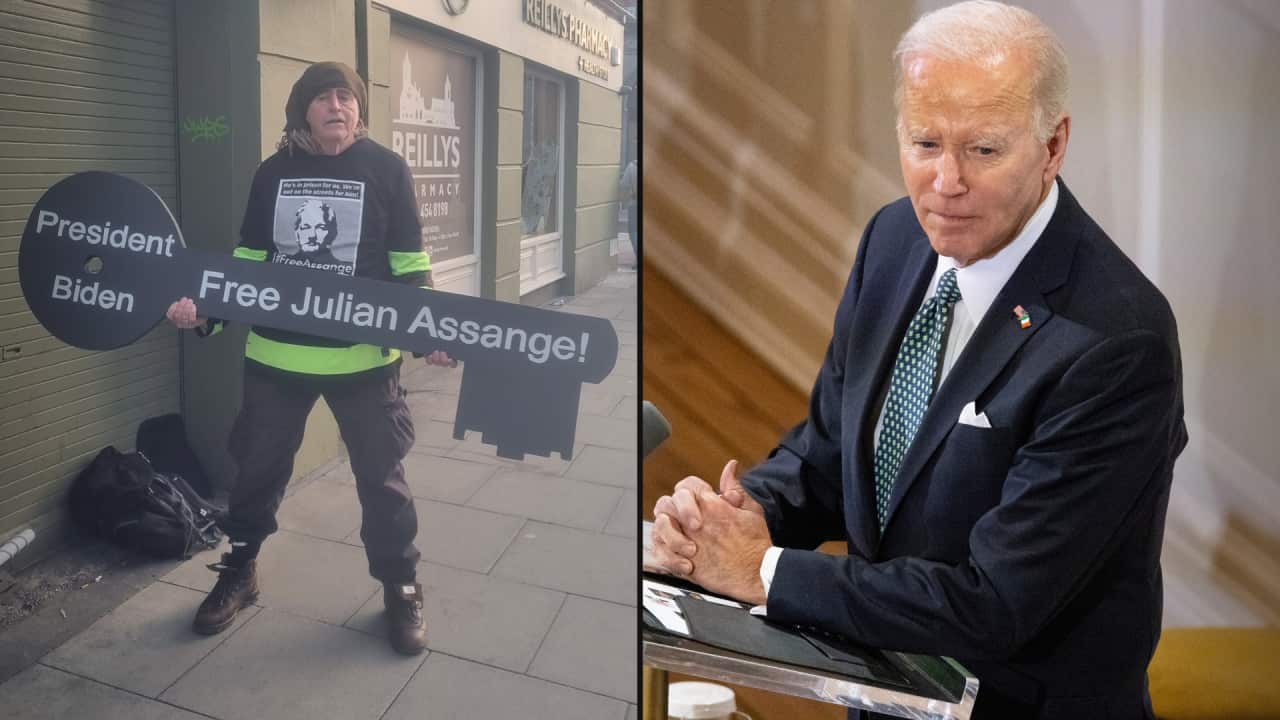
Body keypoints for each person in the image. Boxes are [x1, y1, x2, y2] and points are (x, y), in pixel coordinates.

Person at [648, 3, 1186, 718]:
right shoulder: (895, 238)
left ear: (1053, 145)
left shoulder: (1117, 343)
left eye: (983, 150)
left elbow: (992, 603)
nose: (946, 181)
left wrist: (762, 570)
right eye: (925, 142)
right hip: (882, 694)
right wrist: (732, 519)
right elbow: (830, 455)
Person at [166, 61, 453, 656]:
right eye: (323, 98)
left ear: (359, 109)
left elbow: (409, 264)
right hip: (277, 358)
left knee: (383, 482)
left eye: (345, 97)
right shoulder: (273, 173)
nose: (336, 106)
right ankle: (240, 569)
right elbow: (249, 261)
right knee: (256, 471)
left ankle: (401, 586)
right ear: (304, 110)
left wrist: (428, 332)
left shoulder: (387, 169)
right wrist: (208, 313)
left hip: (363, 363)